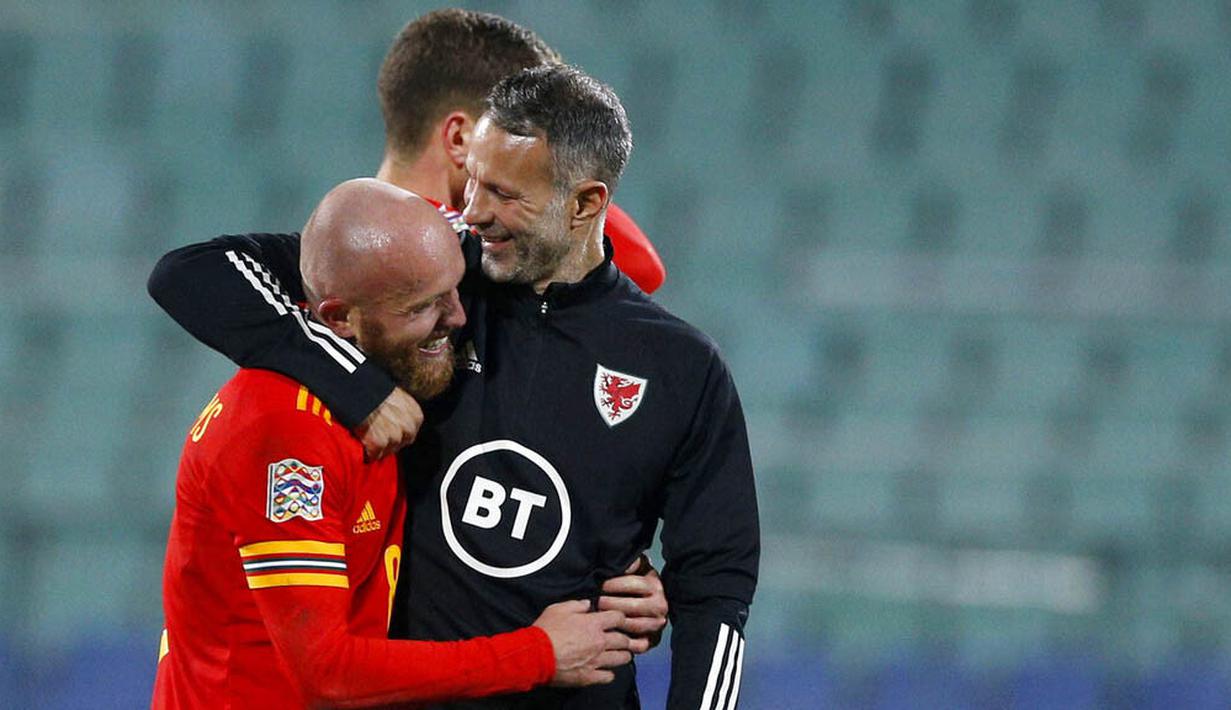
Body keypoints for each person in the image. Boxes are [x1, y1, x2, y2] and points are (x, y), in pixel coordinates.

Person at [150, 65, 759, 709]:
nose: (473, 213)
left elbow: (716, 587)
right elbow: (196, 273)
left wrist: (645, 586)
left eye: (503, 194)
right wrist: (349, 378)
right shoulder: (428, 275)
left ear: (584, 204)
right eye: (471, 183)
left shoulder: (680, 367)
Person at [152, 180, 635, 709]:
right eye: (423, 306)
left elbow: (636, 264)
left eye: (455, 289)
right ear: (339, 320)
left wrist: (614, 571)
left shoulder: (391, 374)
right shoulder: (287, 432)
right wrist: (538, 654)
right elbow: (327, 673)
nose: (458, 317)